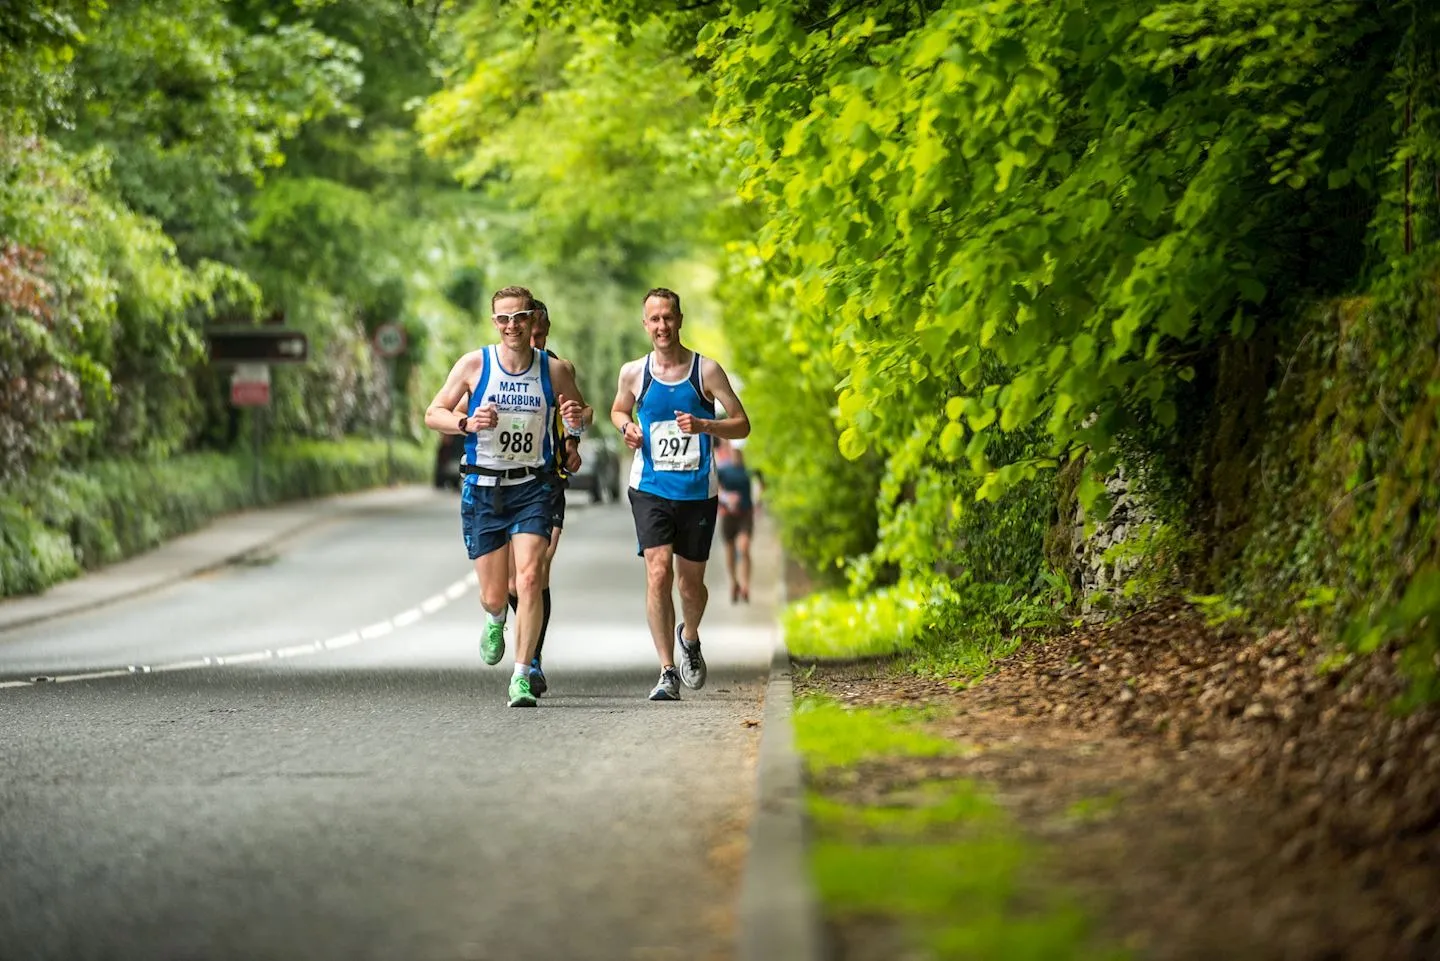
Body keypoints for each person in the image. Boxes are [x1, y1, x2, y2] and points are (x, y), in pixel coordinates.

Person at [424, 285, 589, 707]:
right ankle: (495, 617)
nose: (512, 326)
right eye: (504, 319)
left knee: (531, 577)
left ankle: (522, 674)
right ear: (494, 322)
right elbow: (433, 413)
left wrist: (574, 428)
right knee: (495, 594)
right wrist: (466, 422)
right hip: (483, 488)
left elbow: (580, 414)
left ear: (533, 318)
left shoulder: (553, 371)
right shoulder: (475, 364)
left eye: (520, 317)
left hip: (533, 486)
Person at [610, 287, 751, 701]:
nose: (661, 326)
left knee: (691, 586)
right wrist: (626, 428)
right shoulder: (634, 373)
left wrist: (706, 426)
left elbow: (742, 424)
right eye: (653, 319)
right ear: (645, 324)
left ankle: (690, 636)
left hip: (697, 491)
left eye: (668, 317)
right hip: (650, 488)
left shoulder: (706, 371)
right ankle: (667, 669)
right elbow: (620, 408)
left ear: (680, 320)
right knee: (658, 573)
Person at [504, 301, 588, 697]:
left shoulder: (557, 369)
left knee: (536, 570)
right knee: (510, 581)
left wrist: (573, 441)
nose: (534, 341)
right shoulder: (499, 367)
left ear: (546, 331)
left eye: (540, 335)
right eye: (529, 334)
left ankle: (530, 660)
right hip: (500, 482)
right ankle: (502, 622)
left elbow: (580, 415)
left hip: (547, 479)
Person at [715, 439, 755, 604]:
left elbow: (760, 487)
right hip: (727, 514)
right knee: (730, 549)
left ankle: (745, 584)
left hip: (745, 513)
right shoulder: (724, 469)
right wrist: (726, 498)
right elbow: (716, 487)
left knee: (744, 547)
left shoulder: (749, 470)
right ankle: (733, 581)